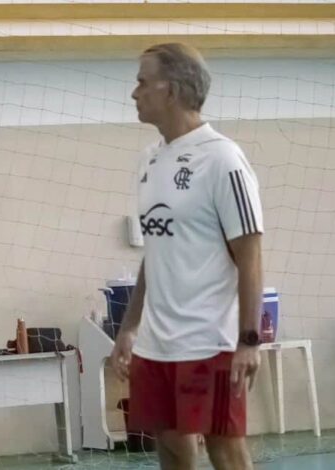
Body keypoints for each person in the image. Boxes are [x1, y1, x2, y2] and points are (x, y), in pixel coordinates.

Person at [110, 43, 264, 470]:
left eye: (142, 81)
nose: (134, 92)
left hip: (209, 337)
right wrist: (130, 326)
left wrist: (249, 340)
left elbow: (250, 256)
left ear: (172, 91)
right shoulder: (150, 160)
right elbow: (156, 251)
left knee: (225, 448)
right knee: (172, 446)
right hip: (158, 343)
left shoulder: (223, 159)